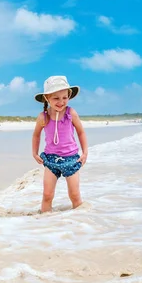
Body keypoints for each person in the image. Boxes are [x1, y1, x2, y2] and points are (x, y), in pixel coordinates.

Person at [32, 75, 88, 212]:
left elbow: (81, 132)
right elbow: (36, 135)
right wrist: (34, 152)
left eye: (64, 98)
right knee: (47, 195)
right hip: (51, 159)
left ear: (69, 97)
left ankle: (80, 221)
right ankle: (44, 221)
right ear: (47, 98)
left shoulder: (71, 113)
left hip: (71, 159)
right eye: (56, 98)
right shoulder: (43, 117)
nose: (61, 102)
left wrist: (85, 152)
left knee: (74, 195)